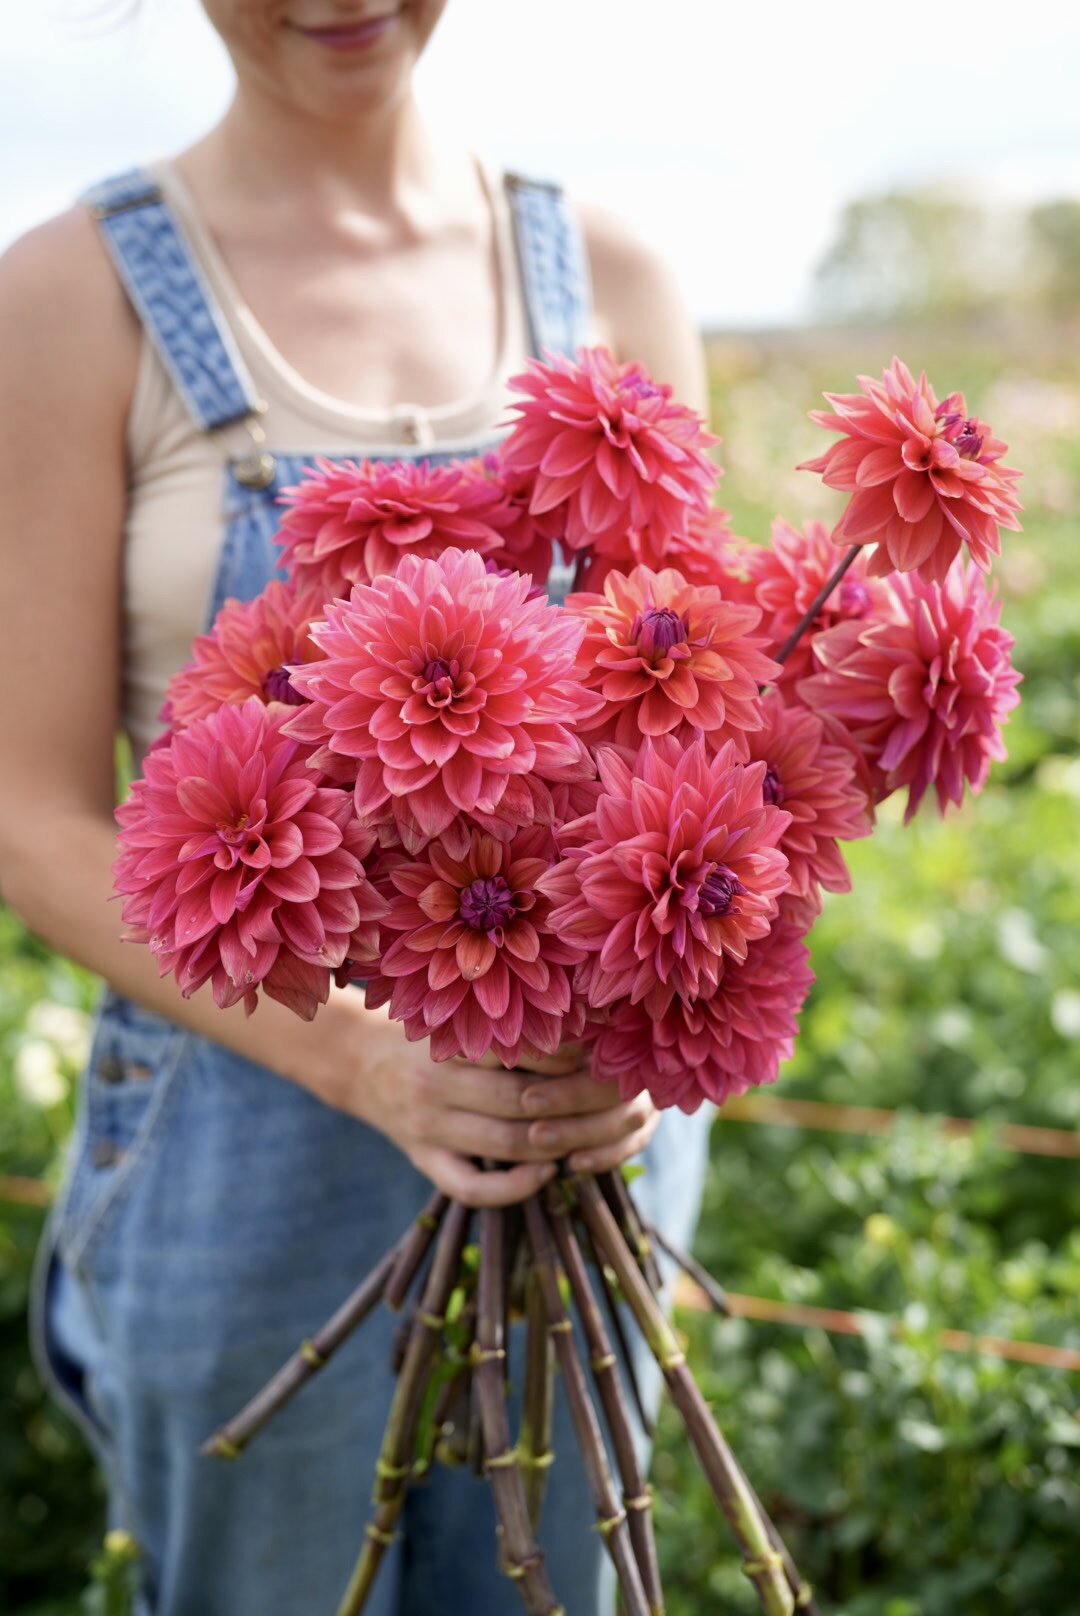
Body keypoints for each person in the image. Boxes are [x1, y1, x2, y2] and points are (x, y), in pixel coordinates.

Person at [0, 4, 713, 1612]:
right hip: (238, 1141)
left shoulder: (616, 279)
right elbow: (29, 817)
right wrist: (365, 1055)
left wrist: (641, 1033)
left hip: (574, 1138)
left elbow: (692, 733)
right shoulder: (67, 297)